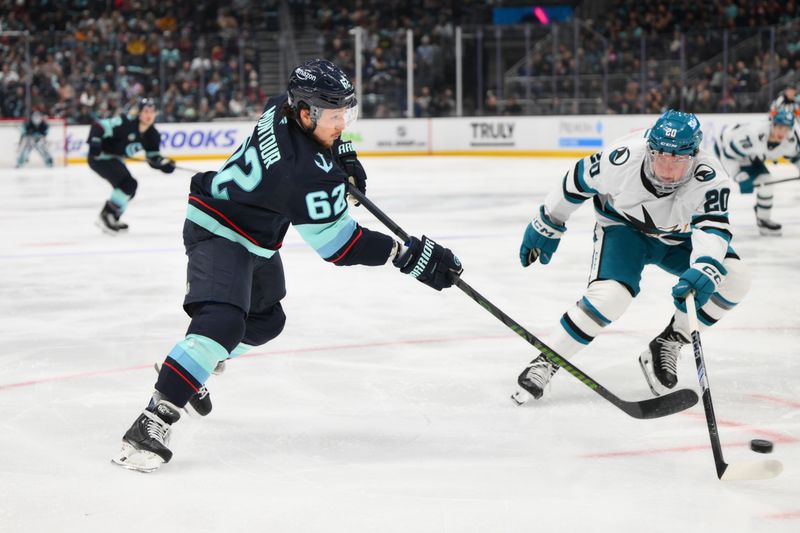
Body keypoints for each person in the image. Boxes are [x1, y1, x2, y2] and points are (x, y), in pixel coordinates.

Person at [112, 59, 464, 472]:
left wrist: (343, 155)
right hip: (218, 230)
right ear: (305, 113)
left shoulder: (283, 106)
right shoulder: (301, 175)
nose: (342, 123)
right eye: (335, 117)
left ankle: (192, 365)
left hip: (253, 237)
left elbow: (310, 133)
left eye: (345, 113)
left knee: (266, 321)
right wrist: (407, 255)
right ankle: (152, 419)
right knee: (223, 323)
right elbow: (341, 246)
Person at [510, 110, 751, 405]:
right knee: (609, 297)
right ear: (649, 148)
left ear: (694, 155)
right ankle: (547, 360)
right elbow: (576, 180)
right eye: (660, 156)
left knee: (735, 280)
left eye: (678, 160)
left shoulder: (711, 178)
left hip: (678, 239)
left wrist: (704, 268)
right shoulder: (622, 158)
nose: (666, 169)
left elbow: (713, 229)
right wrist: (549, 221)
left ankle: (670, 341)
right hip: (625, 230)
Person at [87, 98, 176, 234]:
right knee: (127, 184)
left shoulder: (152, 135)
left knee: (131, 188)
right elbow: (98, 126)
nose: (149, 115)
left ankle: (113, 217)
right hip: (99, 157)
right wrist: (95, 143)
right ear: (139, 113)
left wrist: (163, 164)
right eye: (146, 111)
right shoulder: (125, 123)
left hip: (116, 159)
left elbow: (153, 158)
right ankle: (106, 216)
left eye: (152, 112)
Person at [714, 109, 800, 236]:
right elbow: (728, 154)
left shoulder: (791, 141)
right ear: (773, 124)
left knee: (767, 182)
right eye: (780, 127)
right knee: (715, 186)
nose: (783, 132)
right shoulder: (753, 135)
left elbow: (796, 157)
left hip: (751, 155)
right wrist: (737, 174)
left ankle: (763, 219)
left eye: (787, 128)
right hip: (724, 146)